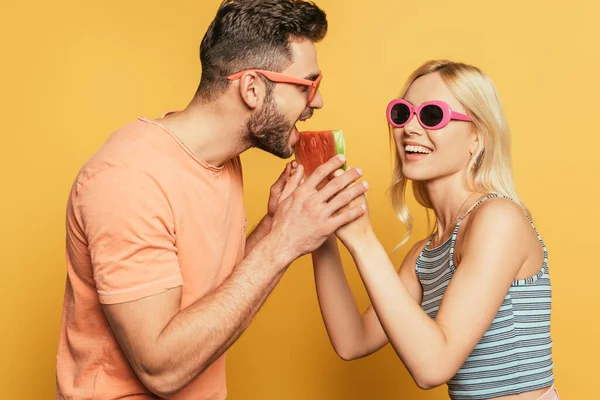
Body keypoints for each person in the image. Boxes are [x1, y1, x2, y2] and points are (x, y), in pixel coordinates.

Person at [56, 0, 368, 398]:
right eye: (309, 85)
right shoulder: (128, 180)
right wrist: (283, 242)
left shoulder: (221, 161)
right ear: (253, 88)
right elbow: (162, 370)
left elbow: (208, 302)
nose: (317, 102)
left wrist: (275, 224)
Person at [313, 60, 557, 400]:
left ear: (478, 137)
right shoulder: (424, 255)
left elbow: (433, 367)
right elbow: (352, 340)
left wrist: (363, 239)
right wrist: (320, 231)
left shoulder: (499, 218)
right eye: (402, 113)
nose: (410, 128)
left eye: (431, 115)